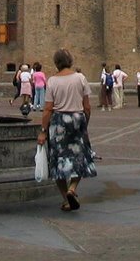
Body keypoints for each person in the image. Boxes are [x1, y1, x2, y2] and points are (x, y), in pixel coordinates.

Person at [37, 47, 96, 211]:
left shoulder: (53, 81)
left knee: (57, 161)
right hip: (77, 119)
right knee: (81, 157)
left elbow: (48, 109)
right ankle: (72, 189)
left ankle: (66, 198)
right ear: (71, 61)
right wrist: (85, 123)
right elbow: (87, 107)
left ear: (56, 63)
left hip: (59, 122)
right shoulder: (80, 78)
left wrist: (43, 130)